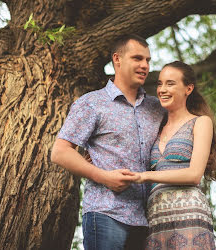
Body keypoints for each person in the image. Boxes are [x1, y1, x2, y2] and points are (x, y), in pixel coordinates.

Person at [50, 34, 165, 250]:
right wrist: (104, 177)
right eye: (137, 58)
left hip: (148, 219)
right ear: (117, 59)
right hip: (106, 213)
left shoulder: (157, 108)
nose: (145, 66)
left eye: (148, 60)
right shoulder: (92, 103)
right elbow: (60, 152)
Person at [133, 61, 216, 250]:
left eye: (170, 83)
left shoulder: (200, 122)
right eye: (160, 84)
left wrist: (146, 176)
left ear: (188, 89)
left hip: (189, 215)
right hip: (156, 216)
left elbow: (194, 175)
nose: (162, 89)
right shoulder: (156, 127)